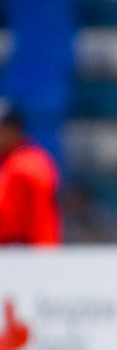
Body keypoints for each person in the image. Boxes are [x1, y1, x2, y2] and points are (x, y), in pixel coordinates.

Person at [0, 99, 63, 246]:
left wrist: (42, 259)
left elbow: (43, 218)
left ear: (14, 129)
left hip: (22, 253)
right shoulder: (8, 162)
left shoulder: (30, 164)